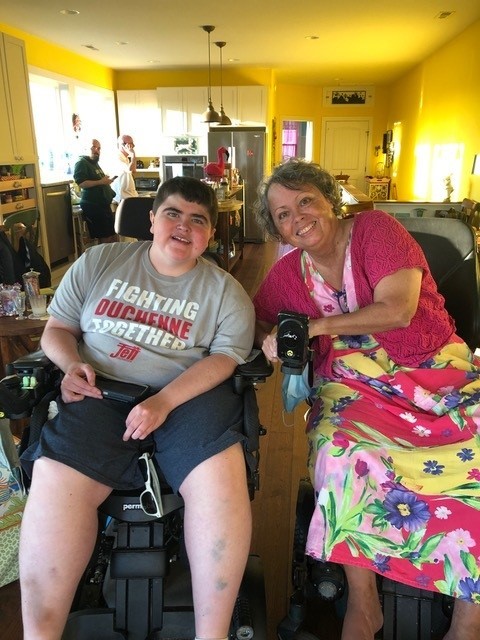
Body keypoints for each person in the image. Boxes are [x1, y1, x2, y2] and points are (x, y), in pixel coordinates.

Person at [19, 176, 255, 640]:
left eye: (198, 220)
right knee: (56, 472)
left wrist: (165, 401)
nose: (183, 227)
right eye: (173, 213)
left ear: (211, 233)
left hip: (187, 396)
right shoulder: (100, 261)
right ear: (151, 219)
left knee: (220, 475)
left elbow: (226, 358)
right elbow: (58, 329)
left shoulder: (226, 293)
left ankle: (214, 634)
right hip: (100, 390)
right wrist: (69, 367)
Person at [253, 159, 480, 640]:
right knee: (341, 451)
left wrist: (312, 326)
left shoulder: (376, 229)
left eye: (306, 201)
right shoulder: (290, 272)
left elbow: (398, 310)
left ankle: (469, 618)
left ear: (329, 199)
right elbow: (255, 317)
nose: (298, 218)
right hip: (353, 384)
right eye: (282, 214)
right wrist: (271, 338)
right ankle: (364, 599)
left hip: (432, 366)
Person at [74, 138, 118, 244]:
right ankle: (103, 260)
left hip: (103, 205)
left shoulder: (94, 163)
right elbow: (81, 183)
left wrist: (106, 181)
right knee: (105, 237)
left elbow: (99, 181)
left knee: (113, 235)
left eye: (99, 148)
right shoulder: (81, 163)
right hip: (93, 205)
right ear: (85, 148)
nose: (96, 150)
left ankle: (112, 259)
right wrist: (101, 182)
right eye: (93, 147)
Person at [111, 133, 139, 206]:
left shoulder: (126, 158)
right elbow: (130, 169)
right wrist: (133, 155)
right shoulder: (117, 157)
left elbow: (134, 171)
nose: (132, 147)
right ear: (122, 145)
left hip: (130, 195)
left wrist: (133, 156)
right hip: (123, 197)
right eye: (129, 145)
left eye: (132, 145)